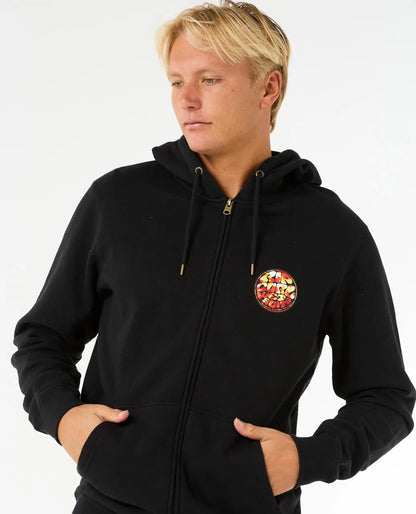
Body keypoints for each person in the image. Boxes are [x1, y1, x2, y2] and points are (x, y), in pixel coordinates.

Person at [10, 1, 415, 513]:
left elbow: (386, 397)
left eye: (210, 79)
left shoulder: (332, 234)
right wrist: (65, 419)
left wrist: (305, 459)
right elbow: (43, 336)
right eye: (177, 82)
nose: (187, 99)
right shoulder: (119, 202)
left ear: (268, 88)